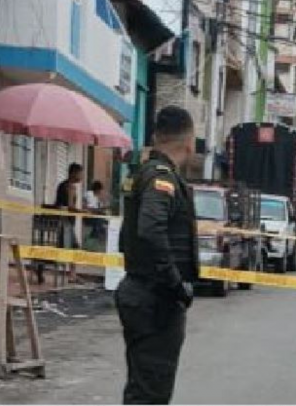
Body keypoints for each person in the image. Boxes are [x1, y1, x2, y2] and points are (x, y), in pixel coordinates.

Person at [116, 106, 199, 405]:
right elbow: (150, 229)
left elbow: (136, 233)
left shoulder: (151, 173)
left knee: (147, 387)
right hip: (155, 299)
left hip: (146, 294)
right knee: (150, 392)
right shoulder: (160, 177)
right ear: (189, 141)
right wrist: (175, 283)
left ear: (155, 137)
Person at [54, 163, 84, 282]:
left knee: (72, 247)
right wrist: (83, 210)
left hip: (66, 220)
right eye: (80, 173)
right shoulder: (69, 186)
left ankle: (72, 274)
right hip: (65, 221)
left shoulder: (65, 185)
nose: (81, 176)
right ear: (73, 173)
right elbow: (70, 206)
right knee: (73, 246)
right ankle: (71, 274)